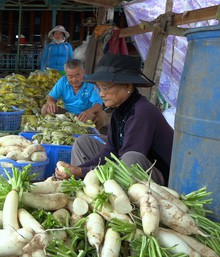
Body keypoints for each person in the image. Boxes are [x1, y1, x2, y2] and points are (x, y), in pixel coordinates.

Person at [55, 54, 174, 186]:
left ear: (128, 87)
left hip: (157, 177)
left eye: (105, 87)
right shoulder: (119, 111)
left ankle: (112, 196)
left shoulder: (142, 113)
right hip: (126, 166)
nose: (101, 94)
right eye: (98, 88)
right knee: (83, 142)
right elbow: (110, 152)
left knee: (130, 158)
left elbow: (126, 164)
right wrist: (77, 169)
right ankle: (84, 186)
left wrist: (80, 171)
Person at [41, 59, 107, 129]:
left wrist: (89, 111)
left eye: (77, 75)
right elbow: (51, 98)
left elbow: (98, 104)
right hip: (67, 114)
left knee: (101, 115)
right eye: (70, 76)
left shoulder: (91, 83)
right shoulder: (63, 81)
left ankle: (91, 134)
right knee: (45, 108)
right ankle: (53, 129)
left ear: (83, 72)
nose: (74, 80)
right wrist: (51, 103)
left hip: (85, 116)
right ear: (66, 74)